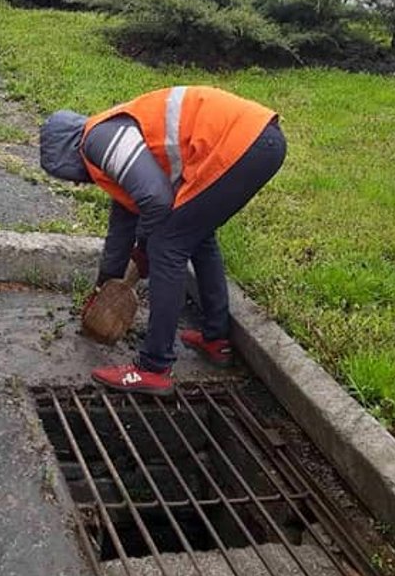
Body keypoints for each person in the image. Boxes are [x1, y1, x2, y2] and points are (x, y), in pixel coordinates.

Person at [40, 86, 287, 396]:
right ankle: (216, 339)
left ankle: (154, 368)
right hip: (260, 140)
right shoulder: (113, 150)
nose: (76, 181)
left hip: (243, 142)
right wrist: (103, 286)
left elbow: (156, 200)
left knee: (167, 245)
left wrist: (146, 247)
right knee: (197, 236)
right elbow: (121, 228)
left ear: (66, 154)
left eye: (67, 175)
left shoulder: (98, 138)